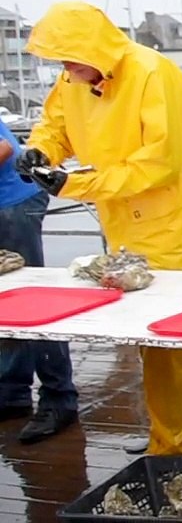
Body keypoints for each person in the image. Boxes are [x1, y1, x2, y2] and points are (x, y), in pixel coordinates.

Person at [16, 1, 182, 456]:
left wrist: (76, 183)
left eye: (69, 59)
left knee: (175, 347)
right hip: (125, 226)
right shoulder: (76, 79)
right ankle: (170, 434)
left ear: (93, 48)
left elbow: (158, 163)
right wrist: (40, 151)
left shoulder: (152, 73)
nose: (65, 69)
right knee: (149, 342)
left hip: (171, 230)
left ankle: (180, 452)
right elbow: (56, 125)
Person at [0, 118, 79, 444]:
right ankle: (12, 392)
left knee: (32, 299)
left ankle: (60, 397)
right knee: (6, 301)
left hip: (13, 203)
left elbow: (6, 147)